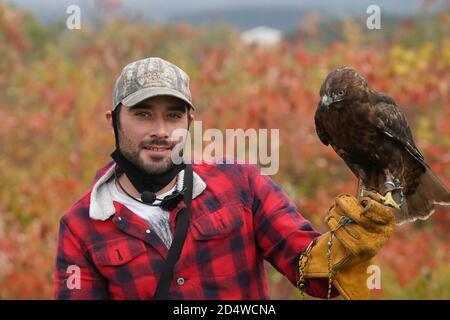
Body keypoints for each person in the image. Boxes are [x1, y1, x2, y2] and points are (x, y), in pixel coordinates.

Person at [54, 57, 395, 300]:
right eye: (143, 115)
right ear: (113, 120)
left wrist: (349, 247)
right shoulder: (81, 226)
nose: (160, 131)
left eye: (173, 115)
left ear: (190, 120)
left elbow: (313, 272)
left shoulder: (242, 184)